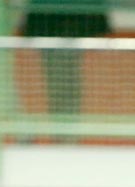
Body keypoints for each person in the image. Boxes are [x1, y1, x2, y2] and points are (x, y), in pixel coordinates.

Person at [19, 4, 109, 135]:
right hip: (48, 20)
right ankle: (64, 136)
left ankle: (67, 136)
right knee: (60, 81)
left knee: (65, 81)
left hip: (70, 19)